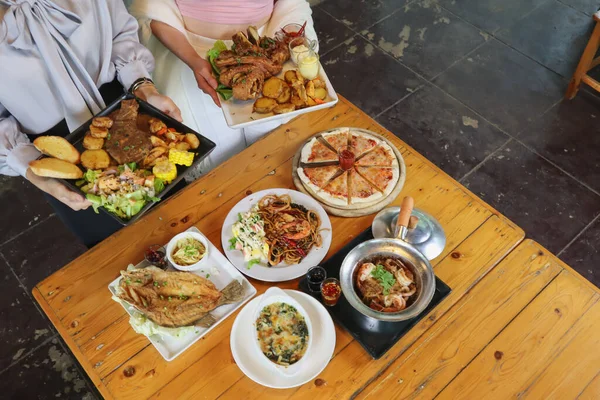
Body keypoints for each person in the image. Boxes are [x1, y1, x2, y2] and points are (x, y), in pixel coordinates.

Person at [0, 0, 182, 247]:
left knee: (186, 220)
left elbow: (119, 32)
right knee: (122, 255)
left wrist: (143, 88)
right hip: (59, 156)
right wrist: (41, 177)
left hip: (128, 115)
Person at [128, 0, 318, 179]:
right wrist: (193, 61)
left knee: (280, 151)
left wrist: (290, 35)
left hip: (268, 45)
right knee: (215, 159)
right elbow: (150, 6)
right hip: (189, 51)